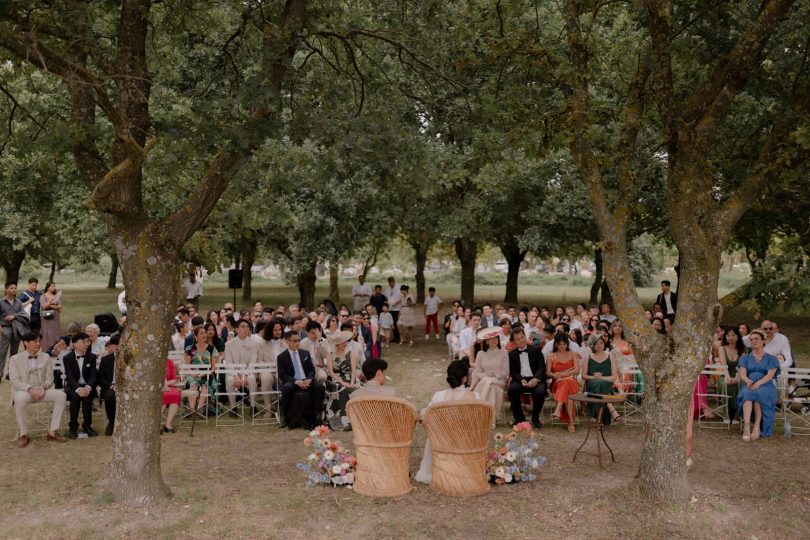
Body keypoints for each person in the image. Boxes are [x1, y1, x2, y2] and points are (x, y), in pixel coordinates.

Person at [414, 360, 481, 484]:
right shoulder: (476, 397)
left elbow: (425, 418)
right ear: (465, 378)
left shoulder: (439, 396)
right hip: (466, 443)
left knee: (434, 433)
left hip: (441, 442)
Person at [9, 332, 67, 446]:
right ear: (26, 343)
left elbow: (50, 378)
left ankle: (52, 432)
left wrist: (44, 388)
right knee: (19, 399)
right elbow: (15, 381)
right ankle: (24, 434)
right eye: (35, 341)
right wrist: (30, 389)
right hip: (25, 391)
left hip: (42, 390)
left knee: (61, 395)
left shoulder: (45, 357)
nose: (38, 344)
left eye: (39, 341)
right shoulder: (15, 359)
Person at [737, 329, 780, 441]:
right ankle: (747, 427)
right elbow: (742, 373)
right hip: (750, 384)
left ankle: (756, 427)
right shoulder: (745, 358)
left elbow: (770, 375)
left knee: (759, 394)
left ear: (763, 341)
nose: (753, 341)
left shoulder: (772, 359)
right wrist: (747, 380)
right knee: (747, 393)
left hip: (765, 385)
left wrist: (759, 383)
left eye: (756, 339)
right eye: (751, 339)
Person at [277, 330, 324, 430]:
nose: (297, 343)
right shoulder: (281, 357)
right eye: (294, 341)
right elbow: (283, 375)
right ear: (287, 341)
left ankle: (316, 416)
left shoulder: (305, 353)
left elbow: (311, 370)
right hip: (293, 381)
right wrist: (297, 381)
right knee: (287, 388)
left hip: (307, 380)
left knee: (319, 387)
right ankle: (286, 418)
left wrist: (309, 379)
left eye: (298, 340)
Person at [507, 328, 547, 429]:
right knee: (512, 390)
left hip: (535, 378)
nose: (521, 340)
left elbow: (542, 367)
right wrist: (521, 380)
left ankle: (535, 418)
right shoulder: (512, 354)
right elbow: (513, 372)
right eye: (518, 339)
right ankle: (519, 417)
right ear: (514, 341)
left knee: (540, 391)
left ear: (525, 336)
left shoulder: (536, 349)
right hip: (521, 379)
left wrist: (536, 379)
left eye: (522, 337)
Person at [220, 319, 260, 416]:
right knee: (229, 379)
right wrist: (235, 376)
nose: (245, 329)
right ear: (236, 329)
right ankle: (233, 407)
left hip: (248, 371)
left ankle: (253, 406)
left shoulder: (254, 344)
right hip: (234, 371)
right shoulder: (229, 344)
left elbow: (253, 362)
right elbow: (228, 363)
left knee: (251, 378)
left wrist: (245, 375)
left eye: (247, 327)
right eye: (243, 326)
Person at [470, 327, 509, 424]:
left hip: (499, 381)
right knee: (490, 385)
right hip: (487, 382)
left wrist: (495, 375)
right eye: (491, 339)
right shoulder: (481, 354)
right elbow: (478, 372)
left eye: (496, 338)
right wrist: (485, 375)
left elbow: (506, 371)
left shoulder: (503, 352)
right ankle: (490, 419)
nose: (494, 340)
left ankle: (480, 413)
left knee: (489, 381)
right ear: (486, 341)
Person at [63, 332, 98, 438]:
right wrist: (78, 389)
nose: (86, 343)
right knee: (75, 396)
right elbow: (70, 377)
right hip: (73, 386)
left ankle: (87, 426)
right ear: (74, 344)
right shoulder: (67, 358)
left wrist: (87, 388)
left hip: (87, 385)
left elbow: (93, 376)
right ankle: (73, 426)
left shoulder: (91, 357)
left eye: (88, 341)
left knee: (87, 396)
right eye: (83, 341)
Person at [582, 332, 621, 424]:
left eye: (601, 343)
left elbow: (614, 377)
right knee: (599, 384)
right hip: (592, 385)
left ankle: (599, 420)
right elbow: (584, 376)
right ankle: (610, 408)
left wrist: (602, 378)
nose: (599, 345)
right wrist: (594, 377)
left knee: (602, 384)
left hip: (606, 384)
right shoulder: (588, 357)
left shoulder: (610, 356)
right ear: (592, 345)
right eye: (596, 343)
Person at [547, 332, 581, 432]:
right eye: (560, 344)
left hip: (572, 381)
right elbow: (548, 372)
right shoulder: (551, 356)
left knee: (567, 381)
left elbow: (577, 370)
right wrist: (554, 375)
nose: (562, 346)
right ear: (556, 344)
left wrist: (562, 375)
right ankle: (570, 421)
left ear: (567, 344)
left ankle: (558, 408)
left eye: (564, 344)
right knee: (568, 390)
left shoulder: (573, 354)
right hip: (557, 383)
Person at [324, 330, 357, 430]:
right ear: (336, 344)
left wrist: (351, 382)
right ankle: (343, 420)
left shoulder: (351, 353)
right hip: (335, 379)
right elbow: (330, 371)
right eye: (342, 342)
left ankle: (352, 420)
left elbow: (353, 370)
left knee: (351, 389)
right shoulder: (330, 354)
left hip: (349, 378)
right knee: (343, 388)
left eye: (345, 341)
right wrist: (341, 382)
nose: (344, 343)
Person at [183, 326, 219, 416]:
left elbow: (214, 367)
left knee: (206, 384)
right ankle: (191, 410)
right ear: (196, 336)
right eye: (201, 333)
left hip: (208, 374)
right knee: (193, 384)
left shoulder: (212, 349)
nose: (204, 335)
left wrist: (208, 372)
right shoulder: (189, 349)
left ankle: (199, 409)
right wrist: (192, 373)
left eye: (204, 333)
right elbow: (187, 366)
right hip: (194, 374)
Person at [717, 326, 745, 424]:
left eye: (733, 335)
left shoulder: (743, 350)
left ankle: (737, 415)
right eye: (728, 335)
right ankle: (726, 414)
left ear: (738, 336)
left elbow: (742, 367)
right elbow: (724, 366)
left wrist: (737, 378)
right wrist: (728, 377)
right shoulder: (722, 348)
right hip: (725, 375)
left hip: (740, 376)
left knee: (741, 384)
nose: (730, 338)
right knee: (725, 384)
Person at [1, 281, 27, 380]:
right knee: (2, 352)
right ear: (6, 289)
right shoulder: (1, 302)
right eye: (11, 288)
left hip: (17, 329)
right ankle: (0, 374)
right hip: (5, 328)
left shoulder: (19, 302)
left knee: (14, 353)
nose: (14, 290)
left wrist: (14, 316)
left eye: (15, 288)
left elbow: (23, 315)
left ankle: (10, 373)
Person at [97, 335, 120, 436]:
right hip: (111, 386)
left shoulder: (131, 359)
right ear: (113, 346)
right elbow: (101, 379)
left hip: (127, 387)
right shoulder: (105, 359)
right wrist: (111, 385)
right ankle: (112, 422)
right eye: (117, 345)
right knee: (110, 396)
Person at [162, 354, 181, 433]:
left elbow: (174, 379)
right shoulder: (151, 362)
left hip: (169, 386)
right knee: (162, 396)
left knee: (175, 395)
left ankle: (168, 424)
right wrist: (162, 385)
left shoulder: (169, 362)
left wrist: (166, 384)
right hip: (155, 387)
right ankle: (156, 424)